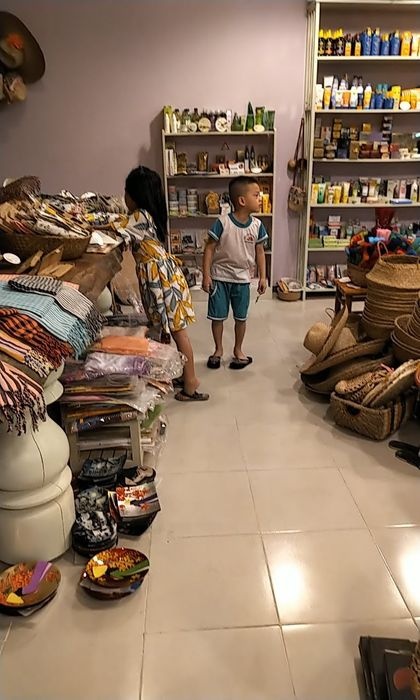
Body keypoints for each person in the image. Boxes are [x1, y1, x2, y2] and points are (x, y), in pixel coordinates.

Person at [118, 165, 208, 402]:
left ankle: (191, 382)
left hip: (162, 281)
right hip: (164, 278)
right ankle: (183, 375)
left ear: (134, 195)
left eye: (126, 191)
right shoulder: (151, 215)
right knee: (175, 331)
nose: (124, 197)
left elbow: (118, 231)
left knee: (178, 332)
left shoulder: (138, 216)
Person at [202, 176, 268, 370]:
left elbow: (260, 252)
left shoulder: (257, 226)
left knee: (241, 318)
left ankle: (238, 350)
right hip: (220, 278)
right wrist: (206, 275)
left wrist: (263, 277)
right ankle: (218, 350)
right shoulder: (222, 222)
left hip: (243, 280)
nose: (260, 199)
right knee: (217, 317)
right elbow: (209, 248)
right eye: (256, 195)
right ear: (242, 200)